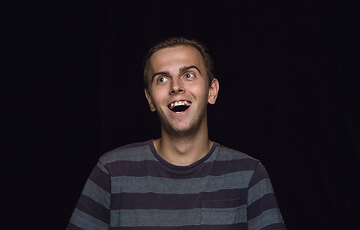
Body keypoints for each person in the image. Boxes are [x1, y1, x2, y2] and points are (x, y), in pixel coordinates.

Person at [67, 37, 287, 230]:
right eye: (162, 79)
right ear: (150, 99)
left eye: (188, 75)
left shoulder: (249, 175)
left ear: (212, 91)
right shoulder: (111, 172)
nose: (175, 87)